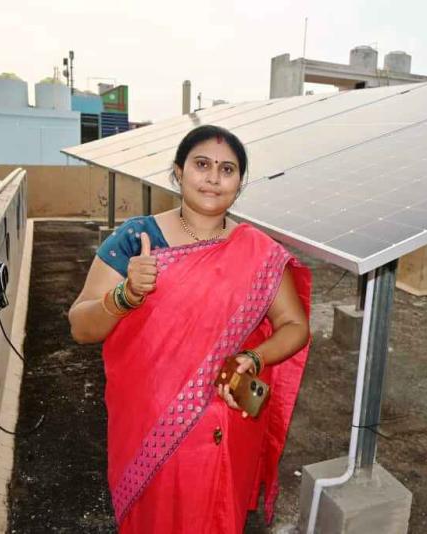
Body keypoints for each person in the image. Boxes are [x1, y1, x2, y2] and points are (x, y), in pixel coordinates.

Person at [68, 125, 311, 533]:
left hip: (223, 427)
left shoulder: (259, 252)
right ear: (178, 172)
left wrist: (253, 358)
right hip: (148, 429)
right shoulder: (136, 240)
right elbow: (81, 326)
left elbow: (294, 325)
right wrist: (126, 294)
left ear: (239, 182)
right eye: (202, 164)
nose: (213, 178)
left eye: (227, 169)